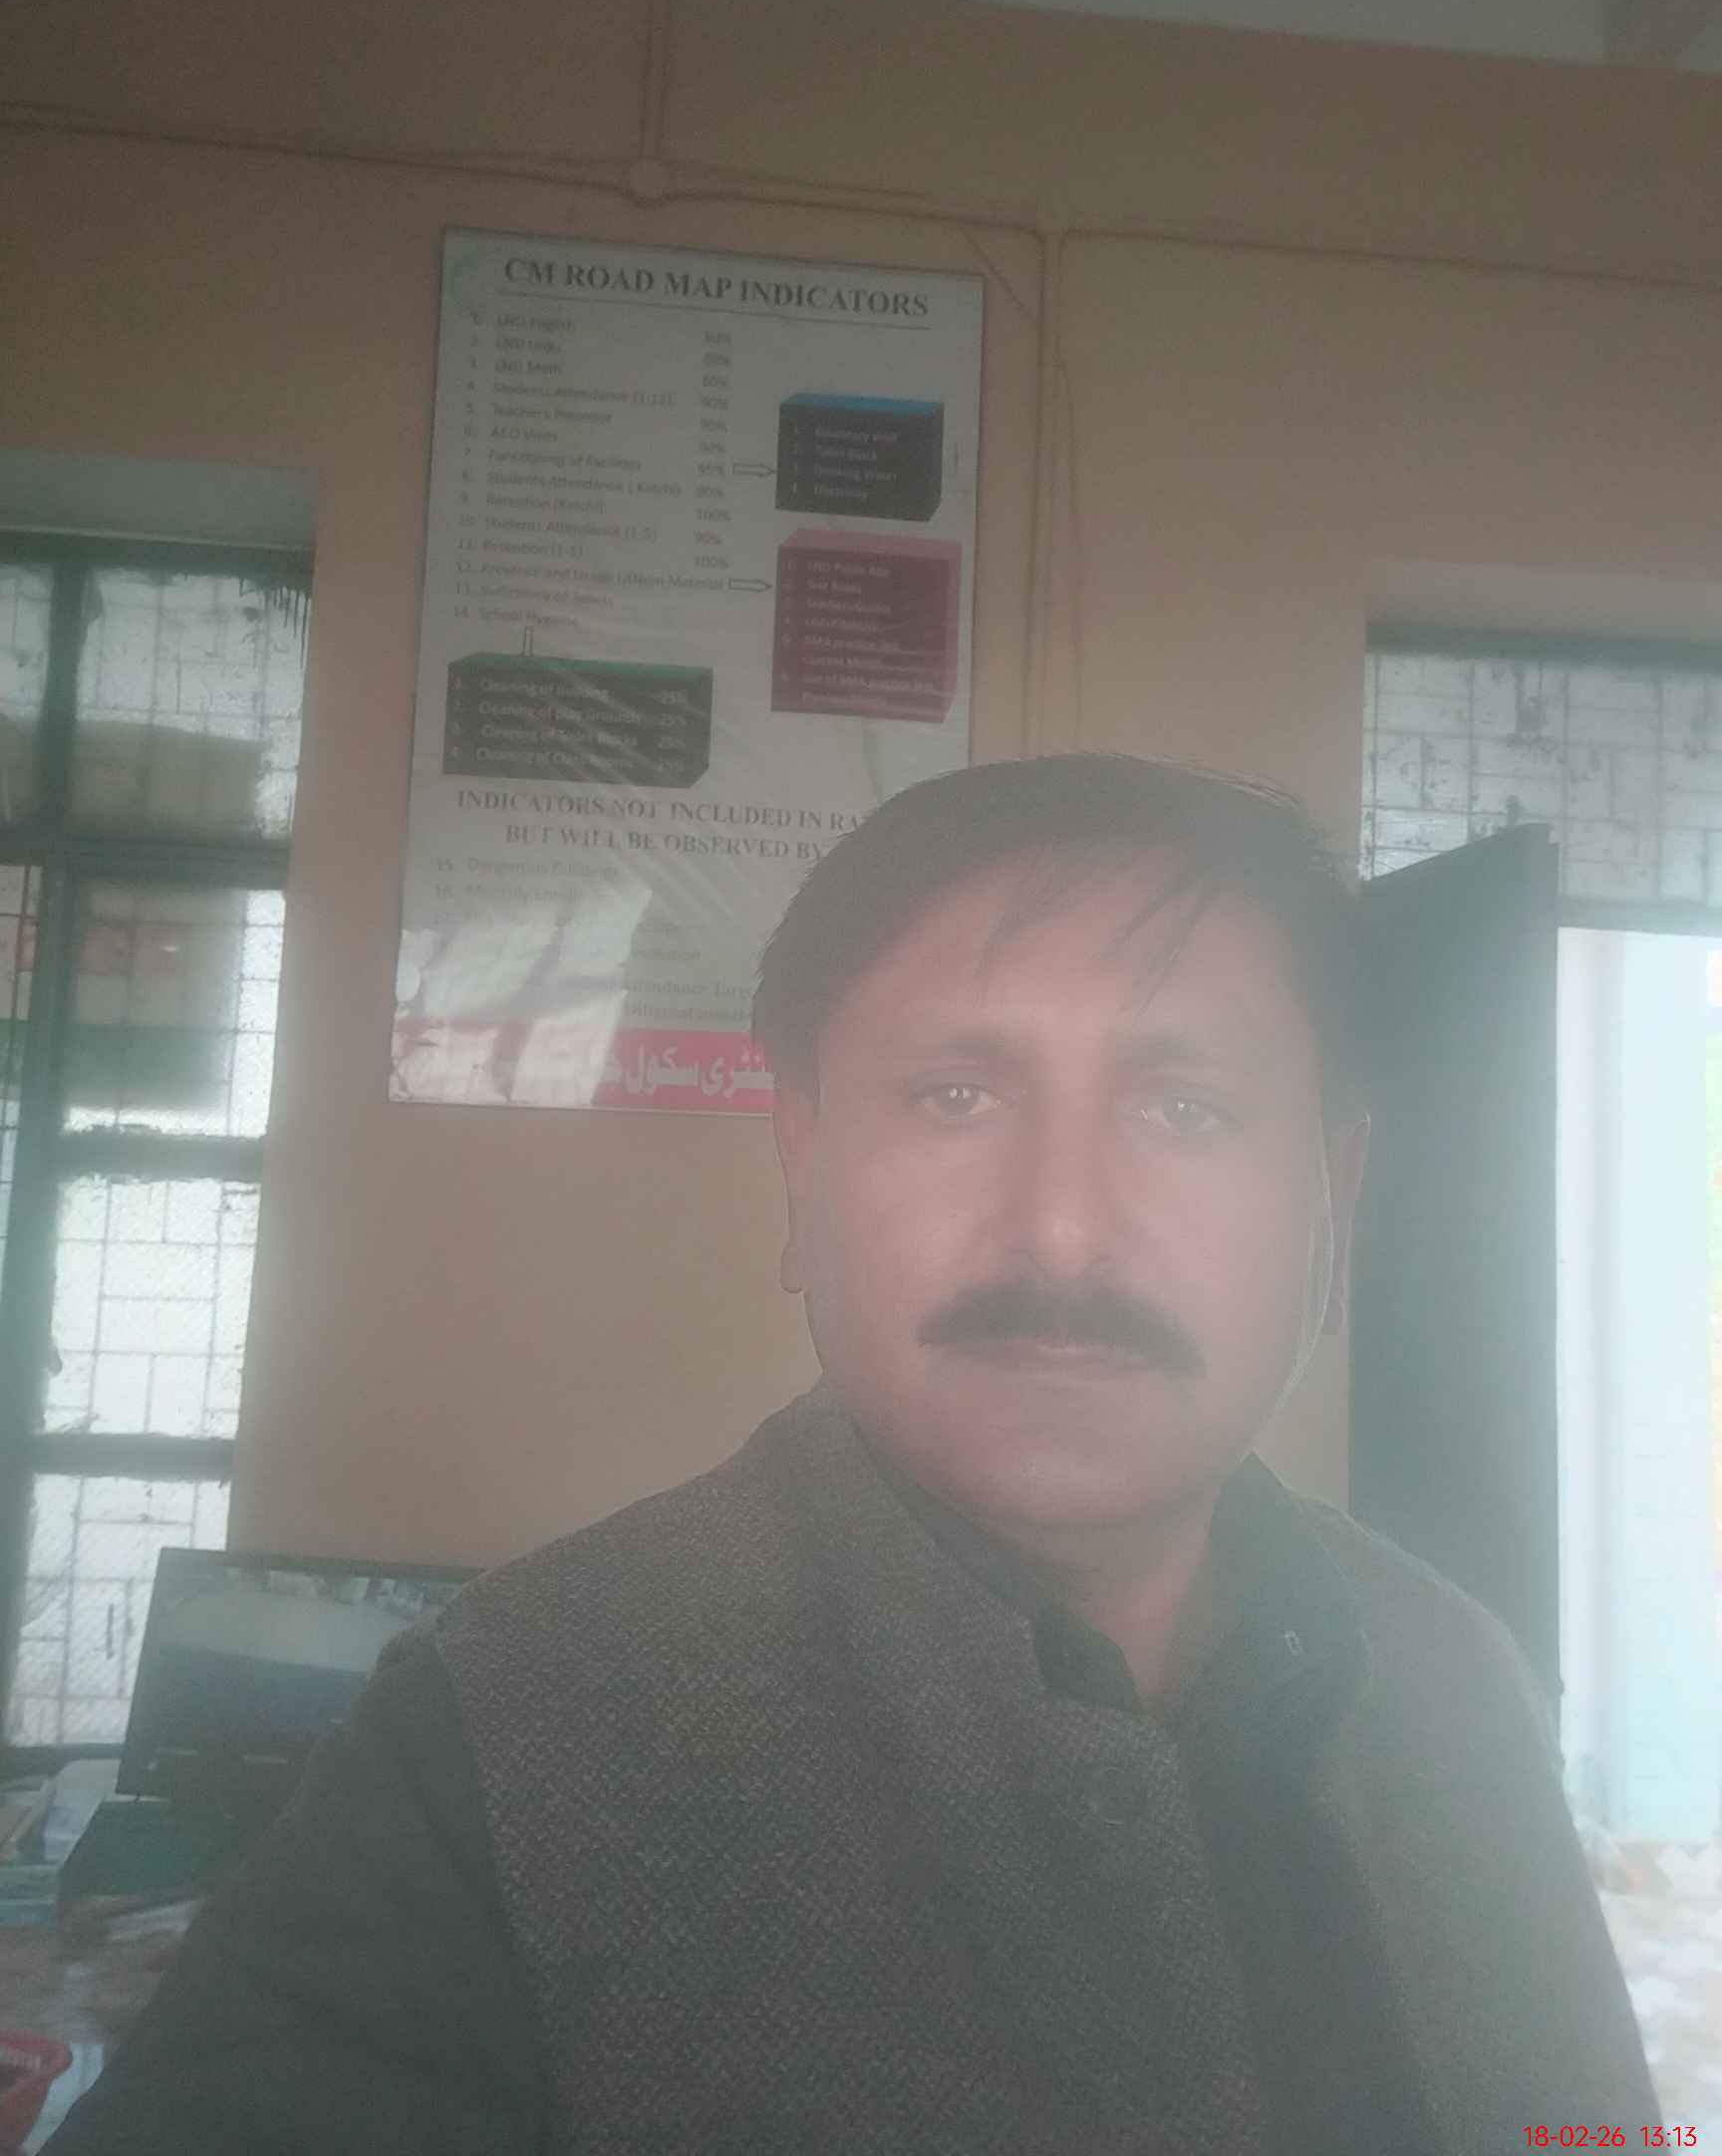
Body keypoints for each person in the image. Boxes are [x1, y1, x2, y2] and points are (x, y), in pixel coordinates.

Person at [47, 754, 1654, 2155]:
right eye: (954, 1095)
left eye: (1186, 1109)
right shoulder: (504, 1740)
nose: (1062, 1227)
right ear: (801, 1164)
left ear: (1334, 1196)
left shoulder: (1462, 1681)